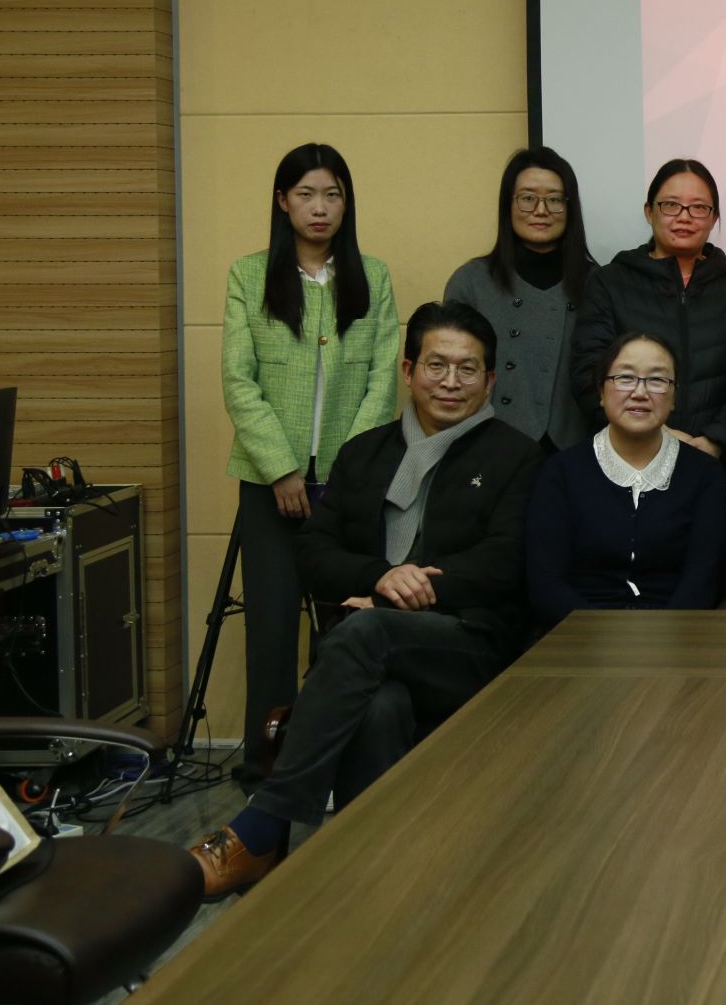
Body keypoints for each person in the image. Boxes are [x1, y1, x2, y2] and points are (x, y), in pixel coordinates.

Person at [190, 301, 545, 897]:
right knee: (379, 702)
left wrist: (399, 598)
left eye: (467, 369)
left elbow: (506, 563)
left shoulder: (518, 456)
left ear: (489, 381)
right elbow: (313, 552)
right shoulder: (364, 453)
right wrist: (380, 576)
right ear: (408, 371)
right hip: (369, 650)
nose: (450, 382)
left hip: (468, 646)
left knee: (365, 631)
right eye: (436, 365)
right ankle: (370, 870)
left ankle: (264, 825)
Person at [221, 142, 400, 784]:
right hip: (269, 484)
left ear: (347, 204)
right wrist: (282, 468)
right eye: (305, 194)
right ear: (282, 202)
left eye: (332, 195)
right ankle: (266, 768)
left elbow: (384, 378)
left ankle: (335, 763)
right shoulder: (249, 276)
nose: (319, 208)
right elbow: (238, 381)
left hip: (348, 489)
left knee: (344, 626)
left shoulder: (372, 276)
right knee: (271, 629)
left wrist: (347, 475)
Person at [526, 332, 726, 634]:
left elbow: (704, 578)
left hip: (677, 636)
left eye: (657, 380)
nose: (640, 392)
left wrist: (663, 637)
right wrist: (600, 637)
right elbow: (546, 583)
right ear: (600, 391)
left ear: (674, 397)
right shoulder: (560, 472)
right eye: (625, 378)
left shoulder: (704, 474)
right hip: (576, 635)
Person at [570, 158, 726, 471]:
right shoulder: (609, 283)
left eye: (699, 207)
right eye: (671, 205)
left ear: (714, 218)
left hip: (714, 464)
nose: (684, 217)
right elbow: (590, 372)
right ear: (649, 212)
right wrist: (656, 435)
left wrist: (715, 441)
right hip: (627, 459)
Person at [444, 147, 595, 450]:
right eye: (527, 198)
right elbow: (453, 375)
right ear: (508, 204)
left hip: (575, 450)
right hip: (489, 447)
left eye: (554, 200)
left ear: (570, 208)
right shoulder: (471, 282)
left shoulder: (598, 283)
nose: (541, 210)